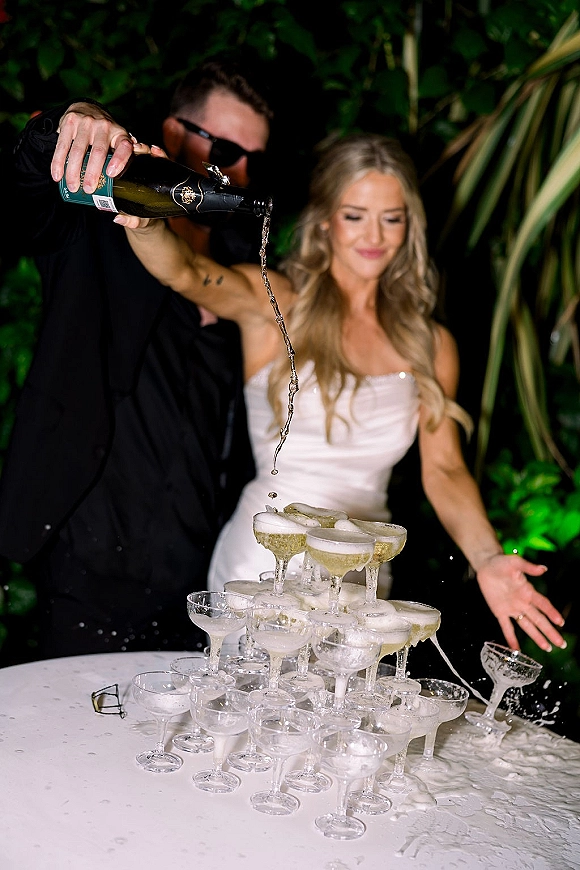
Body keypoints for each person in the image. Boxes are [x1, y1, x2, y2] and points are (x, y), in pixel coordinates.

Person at [118, 132, 567, 655]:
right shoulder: (279, 301)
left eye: (391, 217)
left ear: (410, 224)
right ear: (326, 219)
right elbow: (186, 272)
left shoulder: (430, 343)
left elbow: (444, 470)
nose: (374, 235)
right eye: (355, 215)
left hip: (364, 582)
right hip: (268, 564)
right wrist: (145, 217)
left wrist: (488, 557)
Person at [0, 56, 273, 658]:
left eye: (253, 161)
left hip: (197, 576)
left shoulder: (245, 263)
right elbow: (21, 188)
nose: (238, 174)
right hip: (85, 554)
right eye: (226, 152)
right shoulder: (94, 216)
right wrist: (73, 123)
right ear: (176, 132)